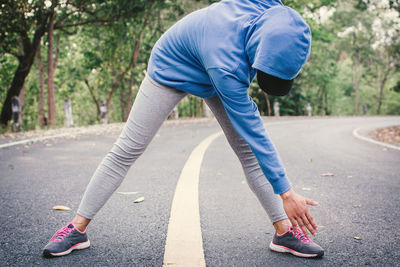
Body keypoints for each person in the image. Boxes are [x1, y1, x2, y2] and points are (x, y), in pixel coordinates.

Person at [43, 0, 324, 259]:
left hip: (214, 64)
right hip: (173, 66)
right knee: (127, 149)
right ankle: (76, 229)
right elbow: (256, 133)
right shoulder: (226, 67)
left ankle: (285, 233)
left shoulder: (273, 11)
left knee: (247, 155)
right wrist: (287, 193)